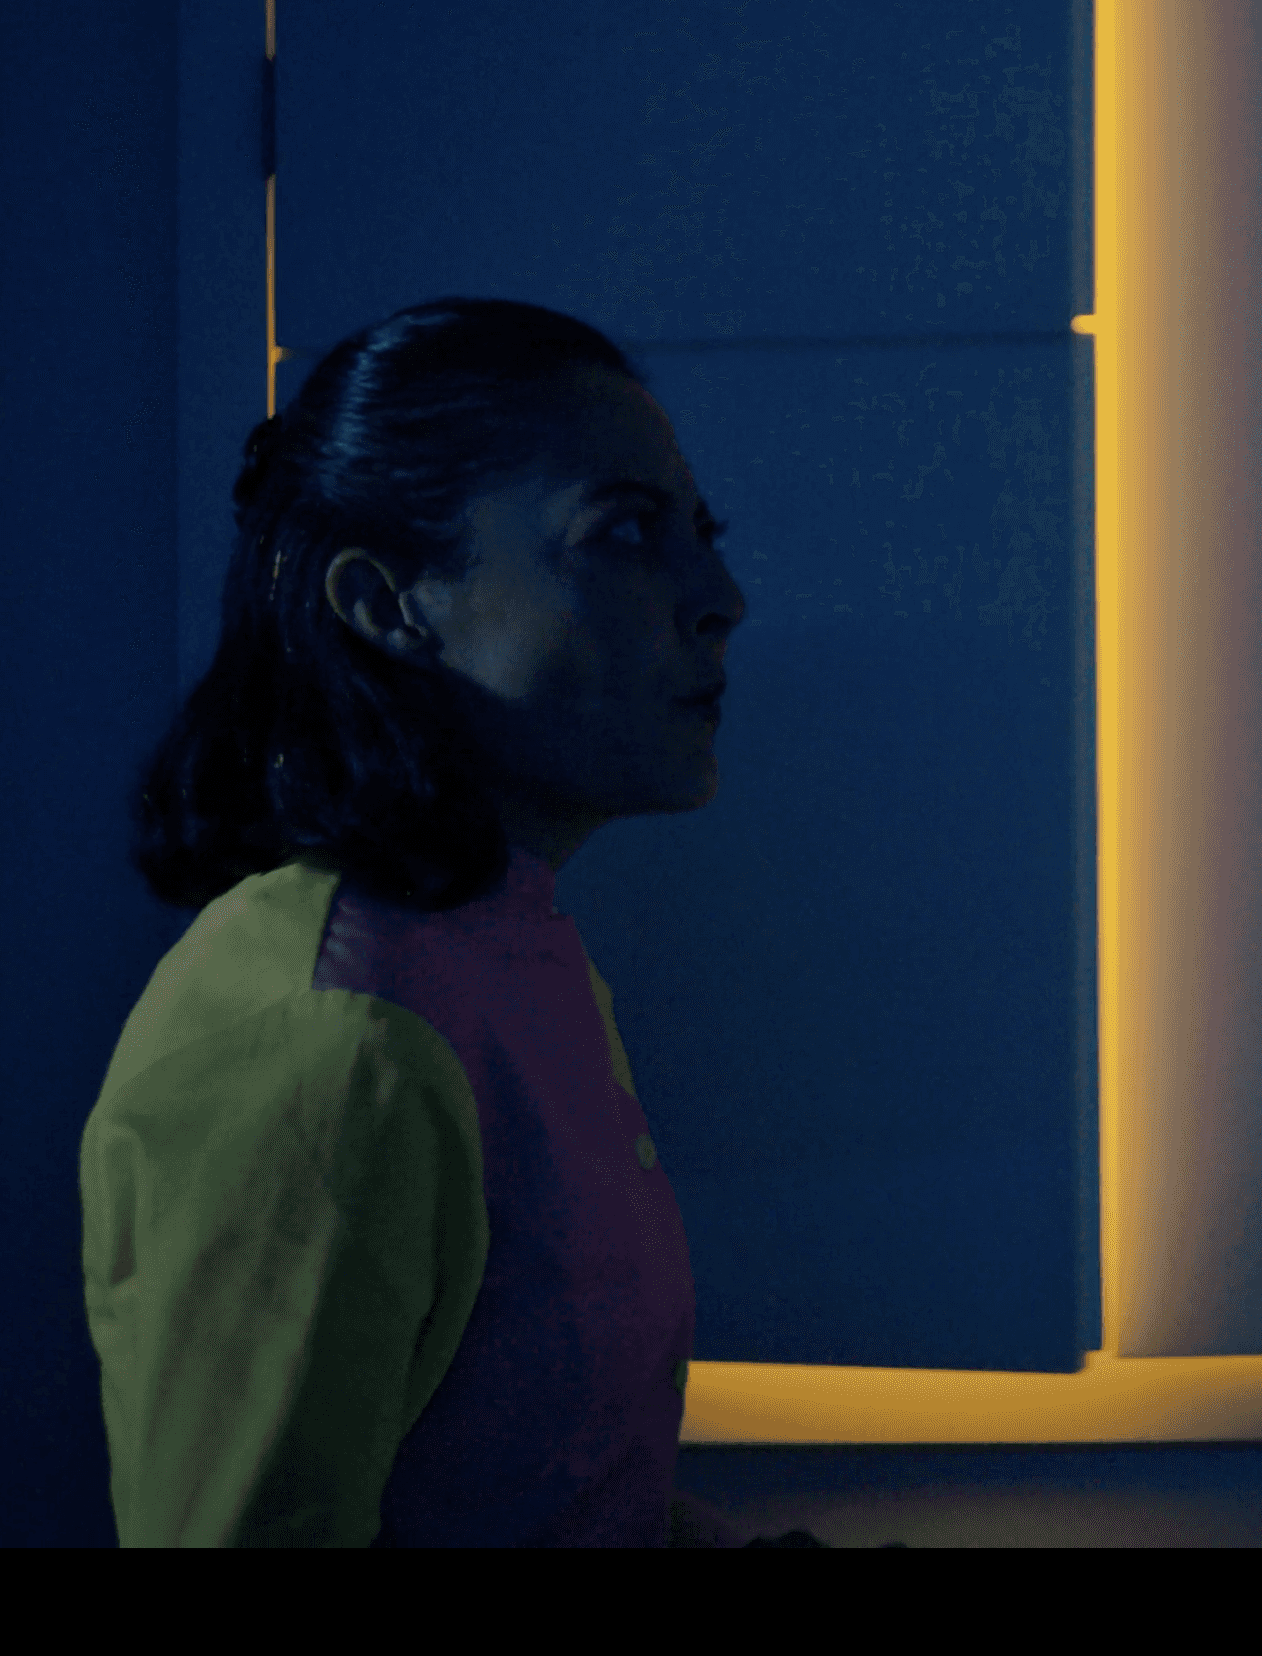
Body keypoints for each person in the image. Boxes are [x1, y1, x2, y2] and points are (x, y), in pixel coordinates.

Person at [84, 297, 762, 1546]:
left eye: (703, 533)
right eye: (625, 532)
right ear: (390, 603)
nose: (717, 593)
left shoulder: (507, 951)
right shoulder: (331, 1041)